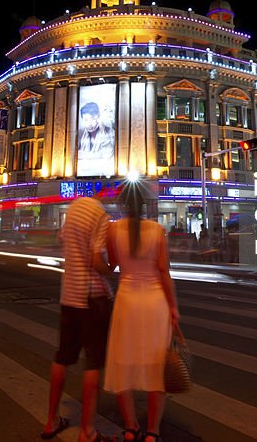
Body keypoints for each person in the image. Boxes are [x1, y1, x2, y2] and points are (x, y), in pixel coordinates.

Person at [104, 186, 178, 442]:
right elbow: (164, 272)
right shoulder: (156, 230)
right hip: (155, 303)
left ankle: (131, 427)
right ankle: (153, 432)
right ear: (145, 205)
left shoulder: (113, 230)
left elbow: (111, 265)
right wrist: (173, 307)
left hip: (127, 302)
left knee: (123, 365)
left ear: (123, 205)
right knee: (157, 368)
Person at [42, 197, 115, 442]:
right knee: (93, 363)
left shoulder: (73, 211)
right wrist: (112, 269)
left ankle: (51, 420)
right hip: (92, 296)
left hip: (69, 295)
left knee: (62, 357)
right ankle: (87, 431)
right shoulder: (100, 214)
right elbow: (96, 259)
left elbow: (60, 239)